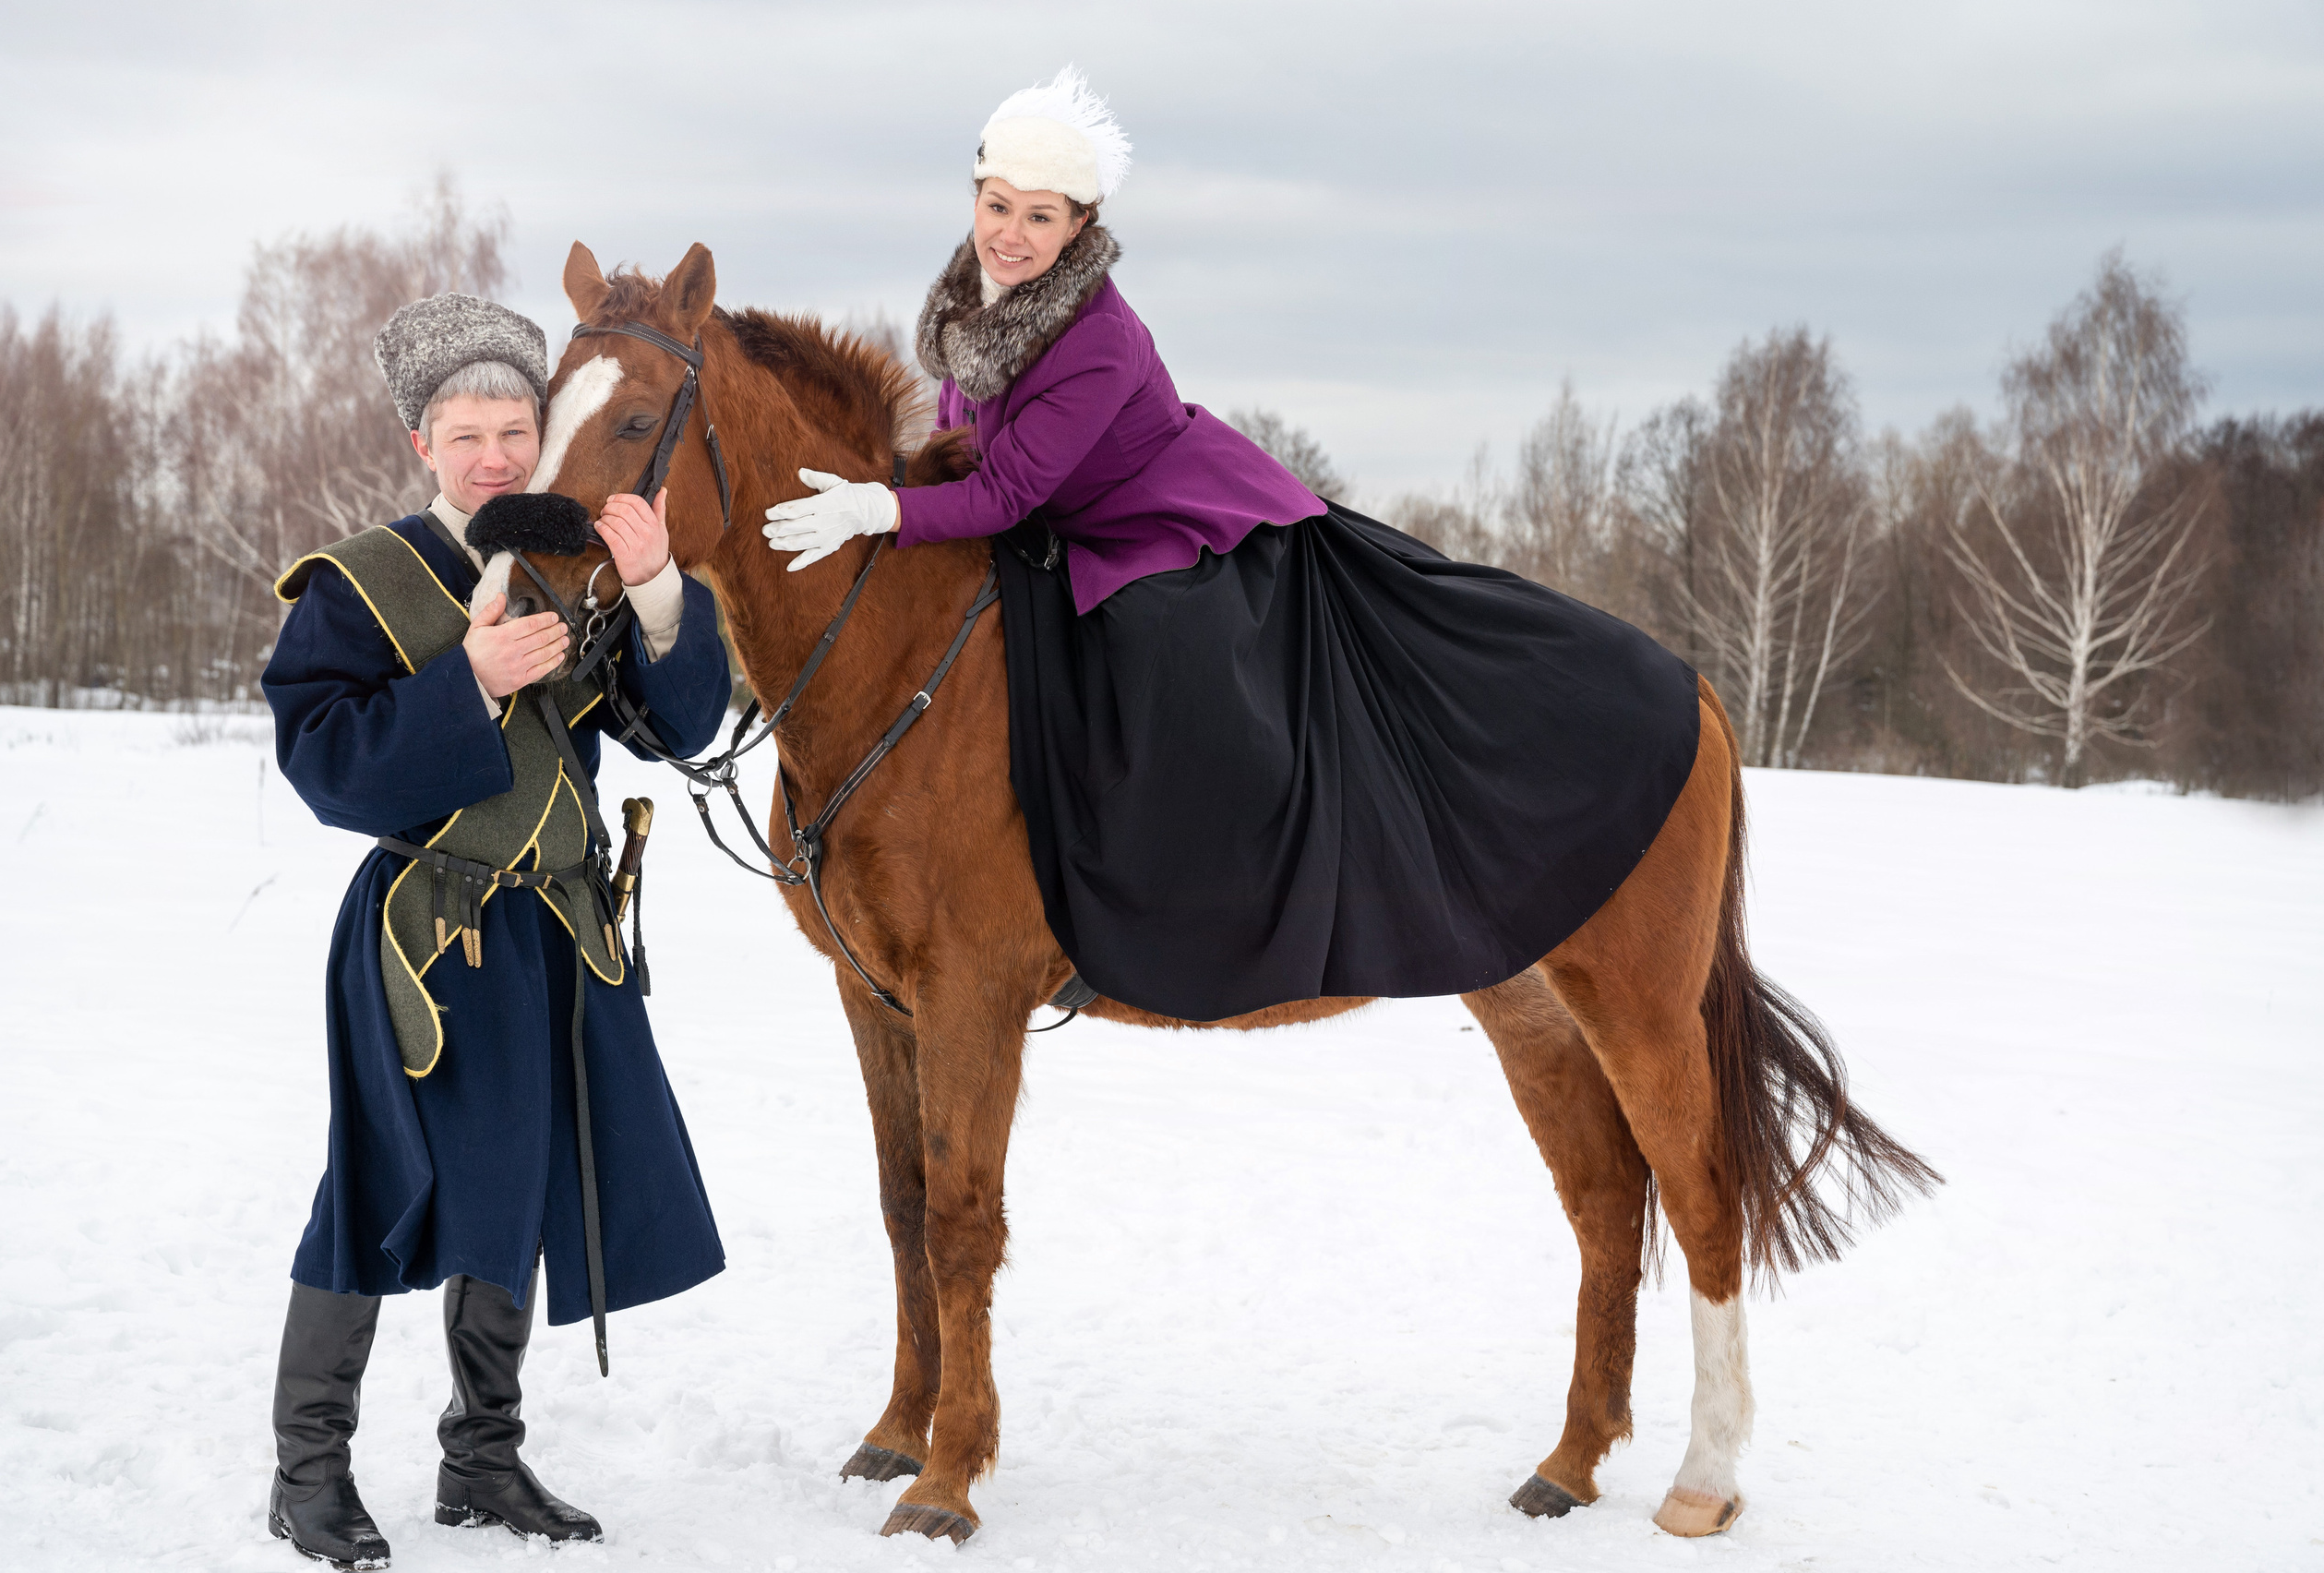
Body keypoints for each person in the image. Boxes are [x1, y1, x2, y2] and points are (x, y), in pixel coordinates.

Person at [762, 70, 1702, 1023]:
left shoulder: (1095, 341)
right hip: (1054, 533)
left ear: (1080, 229)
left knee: (1164, 650)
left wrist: (882, 509)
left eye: (1039, 218)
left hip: (1153, 526)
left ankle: (1188, 884)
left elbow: (1005, 492)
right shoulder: (972, 305)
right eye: (997, 206)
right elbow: (965, 456)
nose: (1010, 234)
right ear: (975, 198)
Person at [258, 294, 732, 1569]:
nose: (495, 459)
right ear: (423, 442)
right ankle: (307, 1472)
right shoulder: (362, 583)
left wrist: (662, 590)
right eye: (465, 433)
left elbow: (677, 729)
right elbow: (326, 768)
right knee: (375, 1188)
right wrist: (465, 683)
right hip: (420, 935)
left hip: (551, 936)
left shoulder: (575, 567)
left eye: (514, 428)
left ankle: (481, 1460)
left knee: (524, 1185)